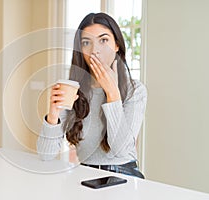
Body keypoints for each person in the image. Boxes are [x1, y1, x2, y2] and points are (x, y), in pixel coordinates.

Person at [37, 12, 147, 179]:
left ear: (116, 45)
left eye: (103, 40)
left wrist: (112, 93)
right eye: (87, 43)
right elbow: (46, 155)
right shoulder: (75, 91)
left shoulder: (135, 90)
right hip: (86, 176)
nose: (95, 50)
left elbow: (122, 151)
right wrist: (53, 114)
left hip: (123, 176)